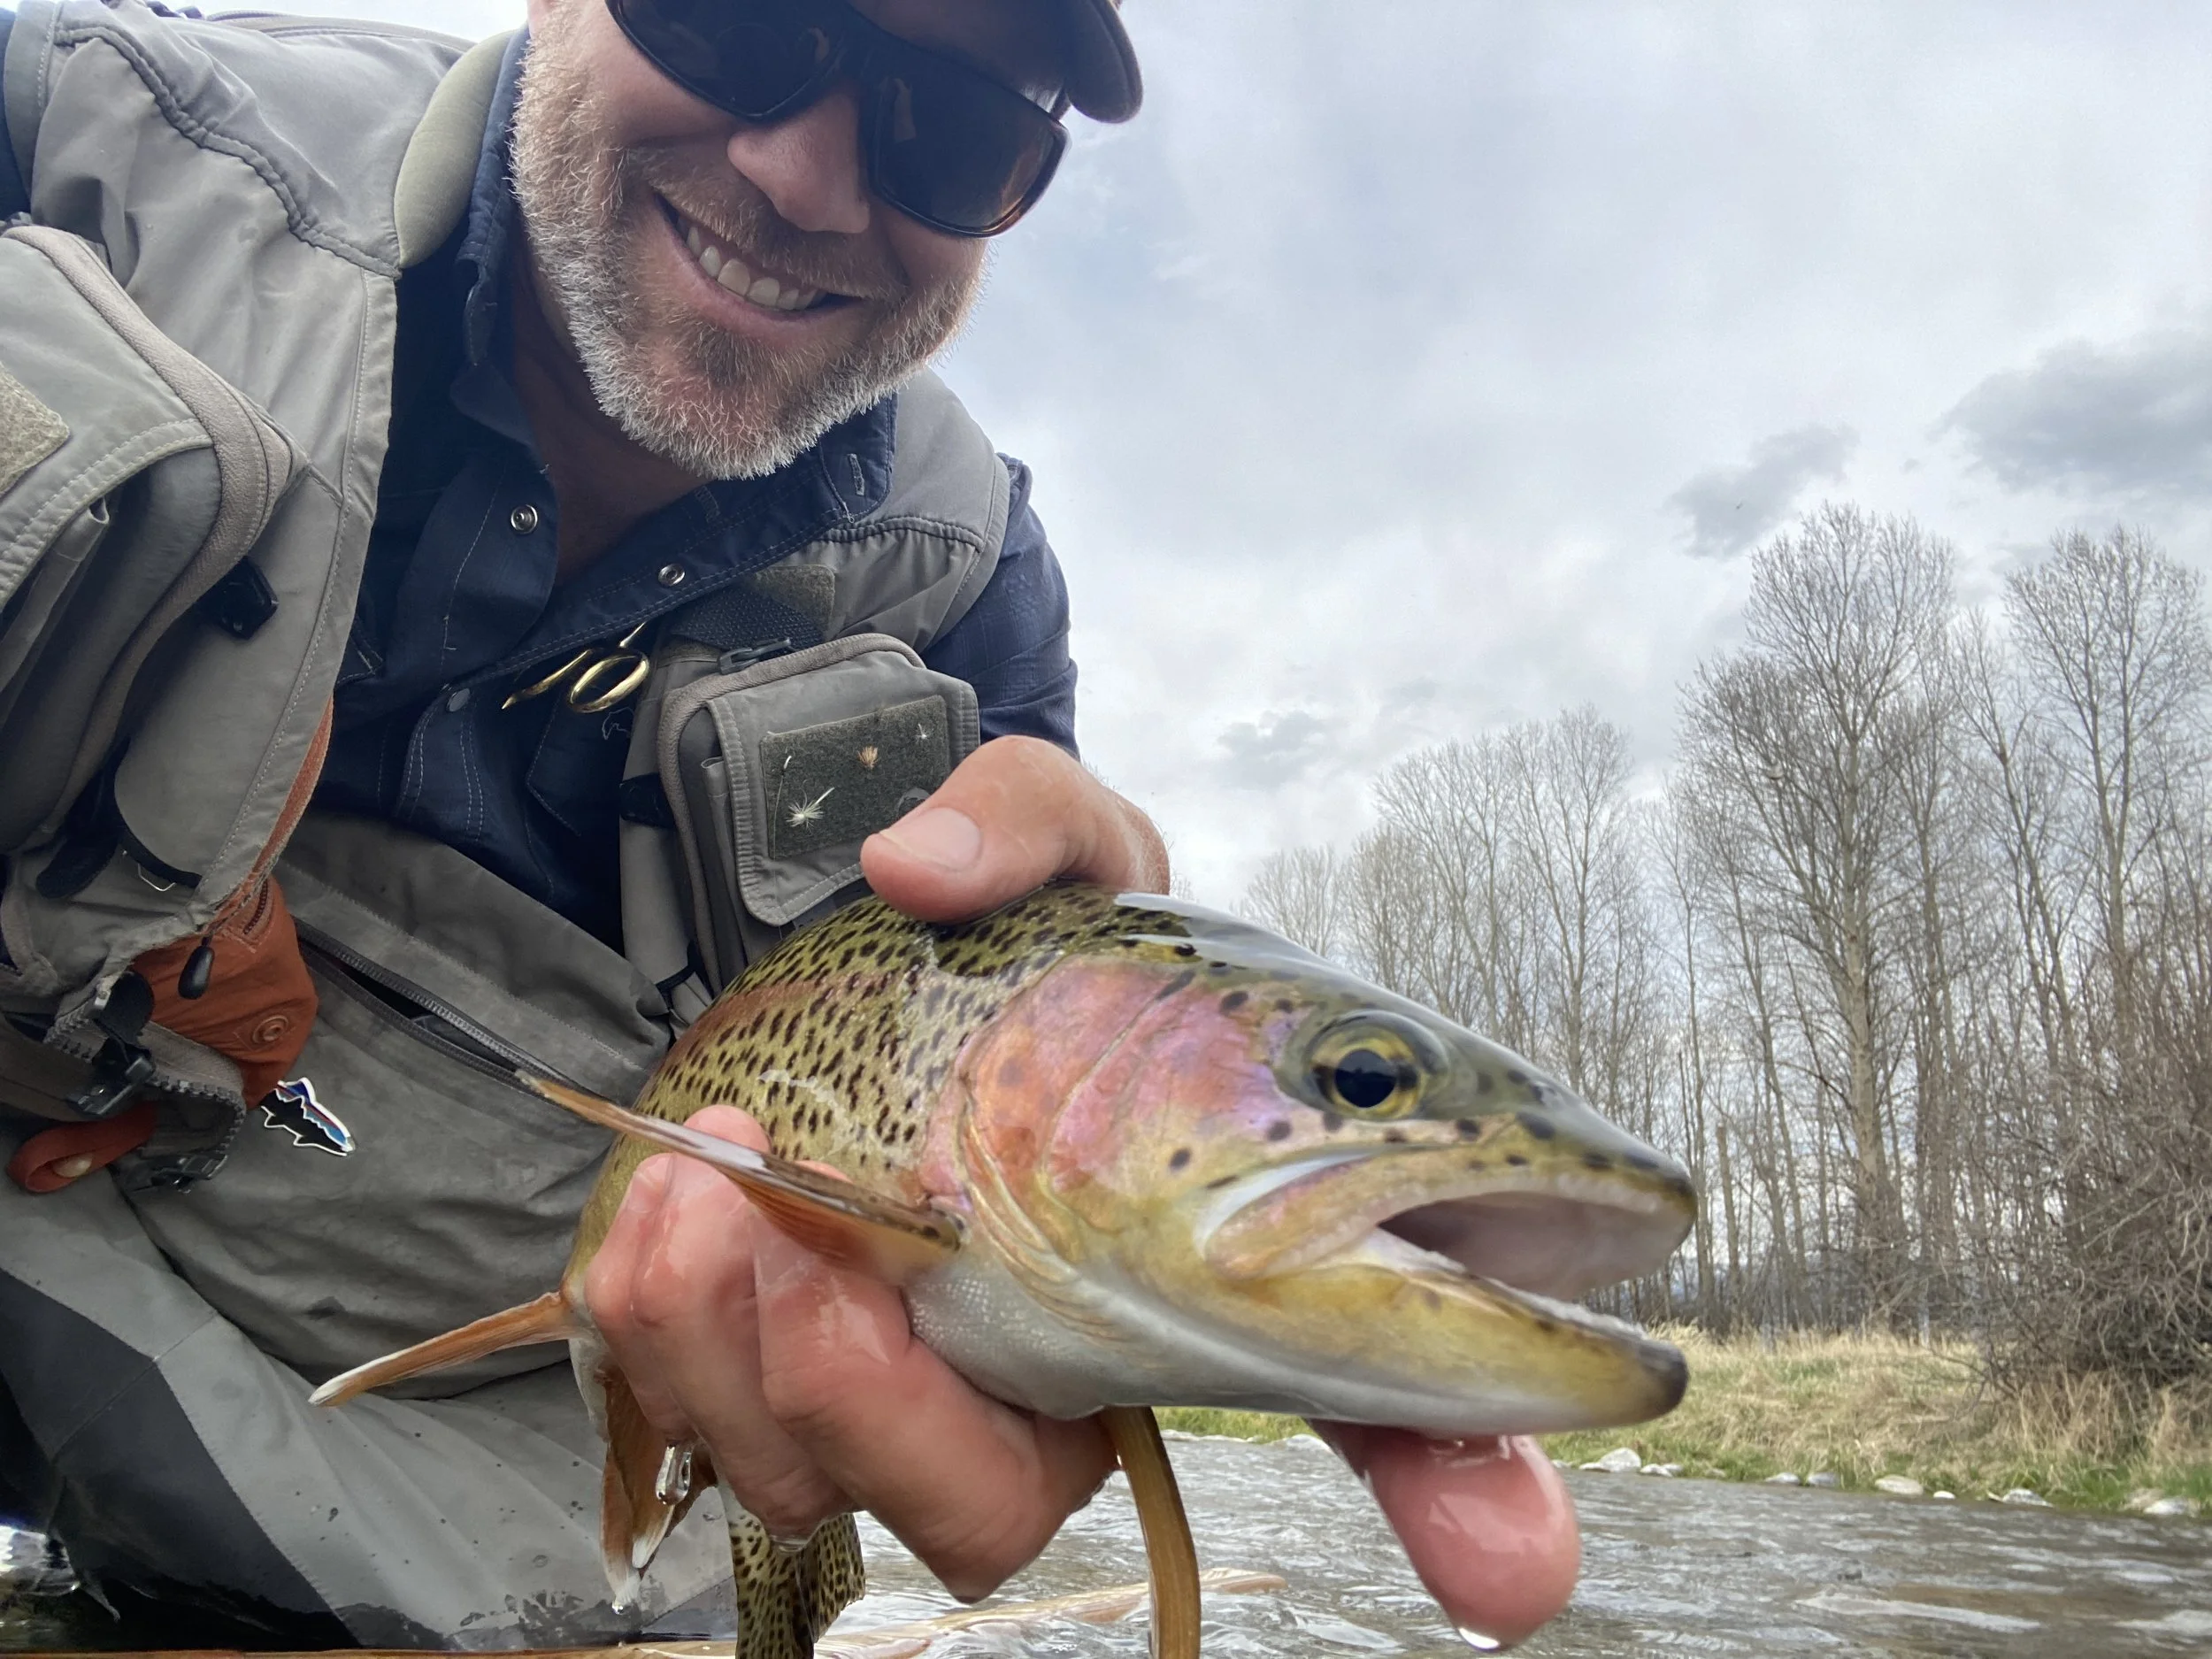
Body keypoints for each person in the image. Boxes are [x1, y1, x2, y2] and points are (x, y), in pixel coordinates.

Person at [0, 0, 1578, 1647]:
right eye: (737, 20)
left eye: (949, 131)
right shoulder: (78, 141)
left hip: (404, 1406)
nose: (804, 179)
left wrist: (1065, 1214)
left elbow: (988, 1062)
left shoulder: (970, 591)